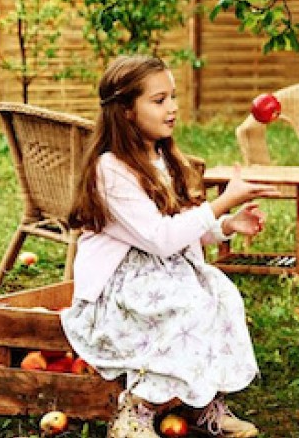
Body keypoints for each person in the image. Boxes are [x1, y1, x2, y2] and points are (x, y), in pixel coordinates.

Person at [62, 55, 281, 438]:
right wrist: (222, 202)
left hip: (168, 270)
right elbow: (160, 238)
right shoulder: (110, 170)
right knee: (185, 306)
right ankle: (136, 411)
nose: (173, 108)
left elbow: (182, 227)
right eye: (159, 100)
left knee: (221, 296)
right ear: (126, 111)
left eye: (173, 97)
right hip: (120, 285)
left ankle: (202, 402)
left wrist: (227, 224)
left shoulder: (163, 158)